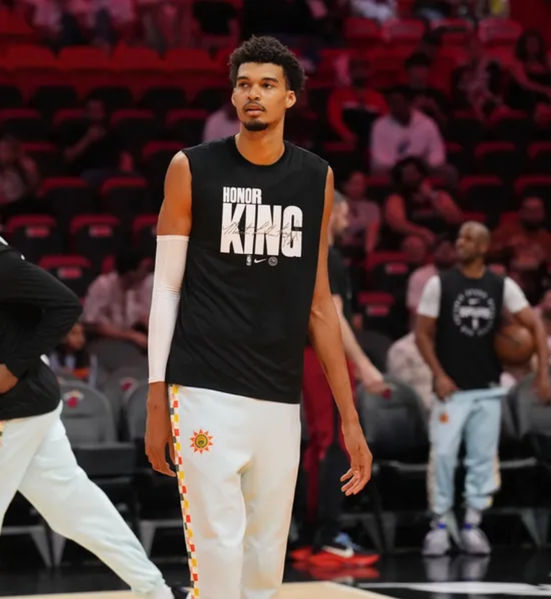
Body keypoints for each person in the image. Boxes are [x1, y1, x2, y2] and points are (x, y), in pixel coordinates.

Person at [144, 36, 372, 598]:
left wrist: (349, 417)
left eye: (267, 85)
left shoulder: (315, 177)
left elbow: (320, 304)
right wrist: (156, 396)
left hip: (277, 395)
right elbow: (166, 289)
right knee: (217, 560)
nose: (253, 94)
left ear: (290, 98)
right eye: (244, 84)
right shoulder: (191, 167)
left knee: (265, 565)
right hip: (202, 390)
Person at [0, 160, 181, 599]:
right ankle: (156, 590)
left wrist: (14, 366)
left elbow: (65, 305)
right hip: (30, 407)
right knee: (75, 511)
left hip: (9, 412)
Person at [415, 221, 551, 556]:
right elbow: (421, 333)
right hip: (451, 390)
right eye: (459, 236)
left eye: (469, 238)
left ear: (484, 247)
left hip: (488, 388)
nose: (460, 242)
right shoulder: (440, 284)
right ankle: (440, 525)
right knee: (444, 456)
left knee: (482, 459)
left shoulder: (500, 285)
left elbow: (535, 326)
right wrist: (438, 374)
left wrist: (543, 375)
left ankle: (472, 524)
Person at [299, 192, 384, 565]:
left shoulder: (305, 256)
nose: (348, 223)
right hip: (323, 358)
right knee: (334, 443)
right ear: (328, 213)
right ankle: (328, 534)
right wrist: (364, 365)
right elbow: (332, 319)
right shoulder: (328, 257)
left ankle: (310, 534)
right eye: (345, 214)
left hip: (306, 356)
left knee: (320, 444)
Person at [384, 157, 462, 248]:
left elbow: (456, 219)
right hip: (414, 238)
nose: (411, 176)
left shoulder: (439, 195)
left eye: (413, 172)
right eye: (407, 173)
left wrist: (432, 197)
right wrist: (422, 232)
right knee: (415, 243)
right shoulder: (396, 198)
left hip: (443, 238)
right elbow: (397, 224)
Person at [82, 249, 152, 349]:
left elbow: (143, 316)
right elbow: (92, 324)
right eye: (143, 269)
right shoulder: (103, 285)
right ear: (131, 272)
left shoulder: (141, 286)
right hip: (102, 343)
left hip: (128, 343)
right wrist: (131, 336)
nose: (146, 274)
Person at [370, 85, 445, 174]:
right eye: (391, 103)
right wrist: (402, 169)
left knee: (449, 171)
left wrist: (424, 167)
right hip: (392, 170)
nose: (393, 106)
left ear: (408, 103)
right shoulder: (379, 125)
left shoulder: (426, 123)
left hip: (423, 170)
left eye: (397, 102)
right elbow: (379, 159)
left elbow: (437, 153)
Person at [507, 29, 551, 113]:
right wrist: (545, 90)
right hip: (524, 97)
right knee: (531, 96)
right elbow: (524, 83)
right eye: (530, 43)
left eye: (535, 43)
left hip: (545, 96)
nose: (533, 46)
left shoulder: (545, 62)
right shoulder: (518, 62)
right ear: (524, 45)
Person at [0, 134, 41, 218]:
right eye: (1, 150)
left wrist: (30, 172)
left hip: (25, 205)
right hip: (7, 209)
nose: (3, 154)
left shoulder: (25, 168)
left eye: (7, 150)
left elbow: (34, 189)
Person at [336, 169, 381, 255]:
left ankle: (368, 258)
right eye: (355, 183)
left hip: (364, 245)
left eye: (362, 184)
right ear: (345, 185)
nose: (359, 187)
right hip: (341, 244)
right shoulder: (336, 205)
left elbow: (374, 228)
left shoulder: (372, 206)